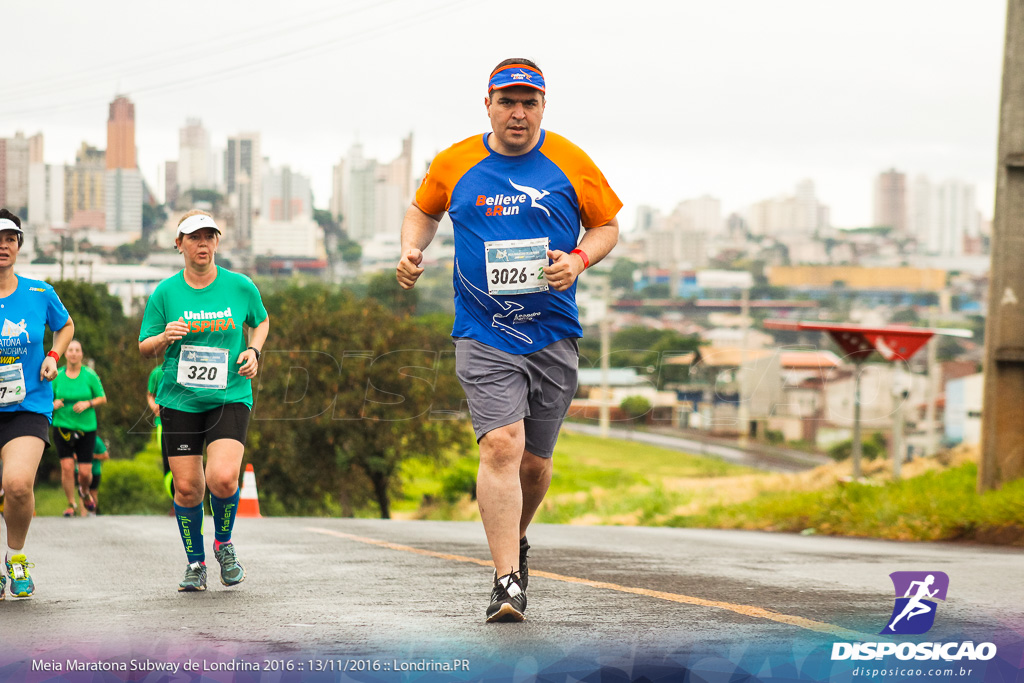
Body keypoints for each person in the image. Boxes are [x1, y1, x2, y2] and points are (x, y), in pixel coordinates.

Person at [396, 59, 621, 622]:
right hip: (483, 330)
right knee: (501, 447)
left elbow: (608, 225)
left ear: (543, 107)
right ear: (488, 105)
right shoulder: (455, 162)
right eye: (507, 101)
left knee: (535, 466)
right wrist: (410, 249)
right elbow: (423, 210)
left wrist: (578, 259)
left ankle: (514, 542)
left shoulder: (571, 162)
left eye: (529, 102)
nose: (517, 113)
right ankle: (505, 582)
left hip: (552, 332)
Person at [139, 209, 269, 592]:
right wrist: (164, 338)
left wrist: (254, 351)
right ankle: (195, 564)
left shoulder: (240, 286)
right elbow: (145, 347)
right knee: (188, 488)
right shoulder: (165, 293)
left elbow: (260, 321)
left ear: (217, 242)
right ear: (178, 244)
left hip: (229, 394)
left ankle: (223, 544)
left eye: (209, 236)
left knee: (224, 478)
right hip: (180, 401)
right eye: (194, 237)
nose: (203, 244)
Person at [0, 208, 75, 599]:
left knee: (16, 485)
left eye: (9, 239)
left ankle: (15, 557)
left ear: (19, 245)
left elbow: (65, 326)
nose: (2, 246)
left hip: (27, 405)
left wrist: (54, 356)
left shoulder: (39, 292)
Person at [51, 340, 107, 517]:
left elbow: (102, 398)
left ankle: (84, 491)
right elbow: (45, 399)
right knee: (67, 467)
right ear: (65, 354)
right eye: (70, 350)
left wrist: (88, 403)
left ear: (81, 354)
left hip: (86, 428)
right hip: (62, 427)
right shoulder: (57, 375)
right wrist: (52, 404)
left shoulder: (90, 375)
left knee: (84, 473)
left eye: (77, 350)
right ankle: (70, 504)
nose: (74, 353)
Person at [147, 364, 175, 502]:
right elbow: (150, 395)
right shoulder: (157, 372)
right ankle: (175, 499)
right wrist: (154, 406)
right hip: (163, 423)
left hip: (186, 421)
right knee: (169, 461)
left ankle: (184, 500)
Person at [73, 436, 109, 517]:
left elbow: (106, 456)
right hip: (80, 471)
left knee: (93, 492)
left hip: (95, 471)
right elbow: (73, 455)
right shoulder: (77, 439)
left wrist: (91, 456)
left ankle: (92, 512)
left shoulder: (97, 440)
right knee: (82, 493)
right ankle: (83, 514)